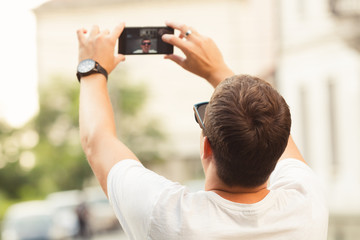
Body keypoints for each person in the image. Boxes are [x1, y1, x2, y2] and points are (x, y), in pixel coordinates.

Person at [76, 22, 328, 239]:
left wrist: (92, 65)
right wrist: (216, 70)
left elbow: (96, 140)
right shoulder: (307, 208)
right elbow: (96, 142)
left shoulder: (166, 218)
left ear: (207, 147)